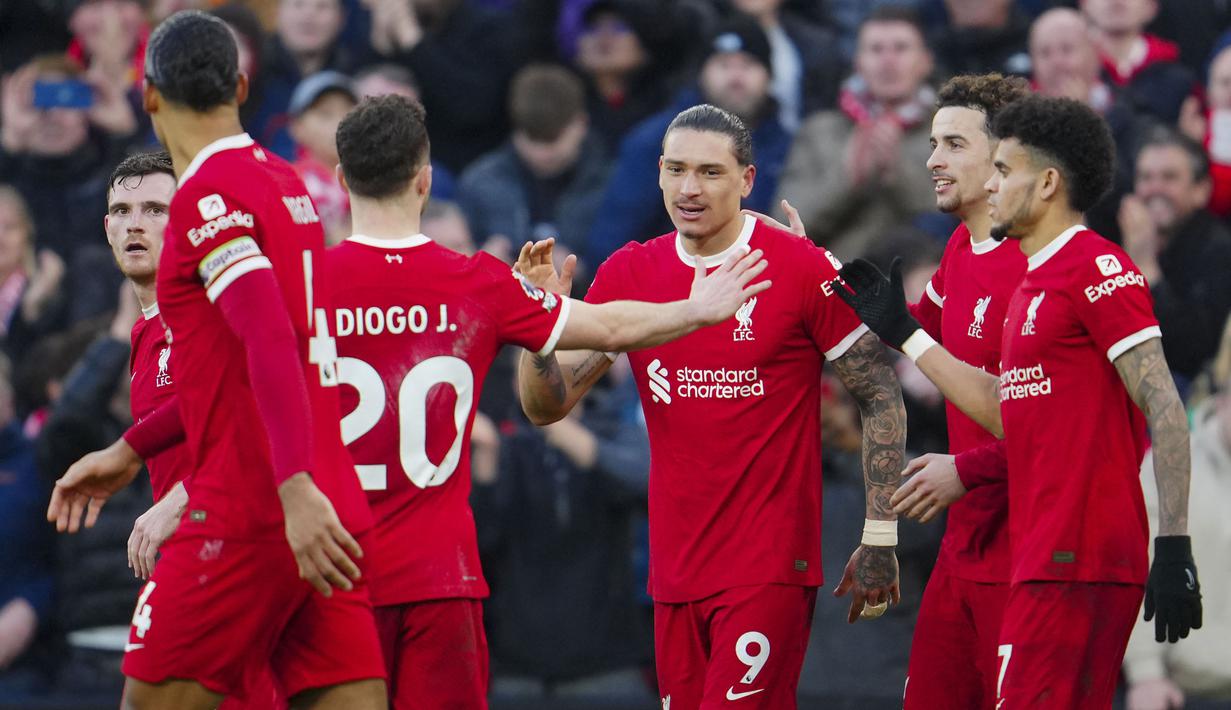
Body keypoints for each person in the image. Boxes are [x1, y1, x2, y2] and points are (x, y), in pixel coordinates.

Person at [325, 93, 770, 709]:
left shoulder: (299, 290)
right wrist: (698, 309)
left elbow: (244, 413)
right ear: (425, 181)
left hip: (329, 574)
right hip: (438, 576)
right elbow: (610, 328)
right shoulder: (479, 282)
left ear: (342, 178)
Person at [45, 11, 386, 709]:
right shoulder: (288, 182)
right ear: (240, 82)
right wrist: (132, 449)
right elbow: (244, 364)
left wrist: (289, 490)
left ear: (147, 97)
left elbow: (268, 337)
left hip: (256, 510)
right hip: (328, 500)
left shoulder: (207, 195)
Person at [518, 103, 908, 710]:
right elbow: (548, 405)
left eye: (710, 172)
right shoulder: (632, 271)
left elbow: (881, 392)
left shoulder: (796, 266)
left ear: (748, 180)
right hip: (675, 568)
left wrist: (879, 533)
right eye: (675, 170)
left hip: (768, 564)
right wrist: (538, 330)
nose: (689, 189)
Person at [835, 95, 1203, 709]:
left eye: (1003, 171)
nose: (992, 187)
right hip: (1038, 550)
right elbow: (1006, 409)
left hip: (1081, 555)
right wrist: (905, 330)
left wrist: (1173, 546)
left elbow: (1162, 406)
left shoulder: (1097, 267)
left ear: (1049, 182)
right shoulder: (1032, 280)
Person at [103, 150, 288, 710]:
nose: (135, 222)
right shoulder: (146, 332)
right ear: (106, 227)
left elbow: (266, 414)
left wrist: (180, 501)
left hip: (235, 551)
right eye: (123, 209)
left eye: (155, 208)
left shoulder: (218, 313)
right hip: (197, 555)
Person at [585, 15, 791, 269]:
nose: (735, 78)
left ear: (769, 76)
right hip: (670, 290)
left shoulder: (789, 144)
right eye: (724, 65)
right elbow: (611, 241)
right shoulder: (660, 140)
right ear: (702, 73)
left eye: (747, 65)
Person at [773, 6, 937, 261]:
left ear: (926, 61)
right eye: (876, 49)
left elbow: (957, 221)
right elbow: (782, 227)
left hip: (921, 287)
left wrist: (898, 172)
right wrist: (848, 180)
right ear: (858, 63)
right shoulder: (820, 131)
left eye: (901, 48)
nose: (888, 61)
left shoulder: (946, 131)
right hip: (837, 284)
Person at [1123, 371, 1231, 710]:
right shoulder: (1168, 470)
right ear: (1222, 396)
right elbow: (1137, 569)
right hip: (1187, 689)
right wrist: (1145, 672)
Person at [458, 64, 609, 263]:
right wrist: (481, 266)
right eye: (532, 138)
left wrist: (583, 271)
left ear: (581, 123)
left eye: (553, 139)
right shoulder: (479, 183)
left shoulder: (612, 183)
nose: (542, 153)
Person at [1118, 127, 1231, 386]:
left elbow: (1193, 353)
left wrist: (1146, 269)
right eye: (1146, 177)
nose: (1155, 189)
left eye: (1169, 177)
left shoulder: (1220, 250)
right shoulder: (1127, 239)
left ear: (1201, 190)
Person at [288, 70, 358, 245]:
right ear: (297, 126)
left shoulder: (377, 178)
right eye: (325, 114)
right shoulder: (288, 181)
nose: (339, 123)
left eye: (349, 113)